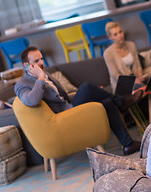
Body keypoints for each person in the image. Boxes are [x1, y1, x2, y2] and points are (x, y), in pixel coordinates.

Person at [15, 46, 143, 156]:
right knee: (86, 87)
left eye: (42, 58)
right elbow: (32, 101)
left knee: (106, 103)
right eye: (36, 61)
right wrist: (40, 78)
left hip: (69, 107)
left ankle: (128, 145)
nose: (41, 62)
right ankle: (122, 102)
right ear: (26, 65)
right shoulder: (22, 84)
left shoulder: (45, 73)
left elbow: (62, 97)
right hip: (62, 117)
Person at [103, 21, 147, 92]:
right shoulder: (108, 53)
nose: (120, 35)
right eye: (115, 34)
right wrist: (134, 81)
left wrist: (140, 77)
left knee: (150, 84)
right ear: (110, 37)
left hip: (136, 80)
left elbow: (138, 65)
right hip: (121, 84)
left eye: (120, 32)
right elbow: (116, 75)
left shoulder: (131, 45)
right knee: (142, 88)